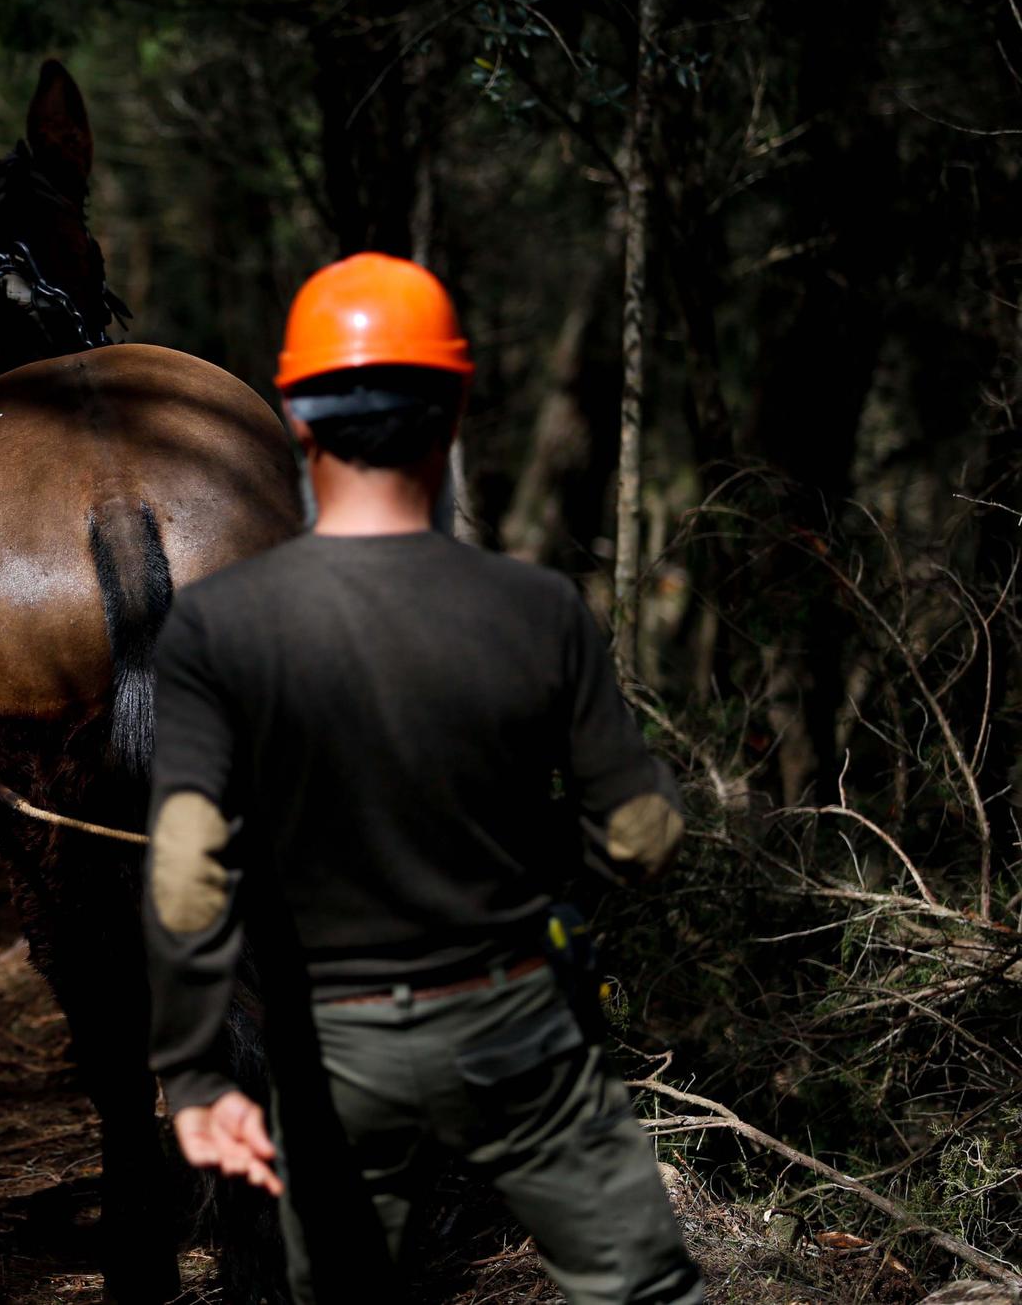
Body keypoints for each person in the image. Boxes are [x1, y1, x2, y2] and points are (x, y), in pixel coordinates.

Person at [141, 252, 706, 1304]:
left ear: (295, 424)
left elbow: (182, 876)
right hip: (520, 1027)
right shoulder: (537, 610)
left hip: (327, 1046)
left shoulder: (218, 627)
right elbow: (639, 832)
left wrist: (194, 1071)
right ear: (450, 413)